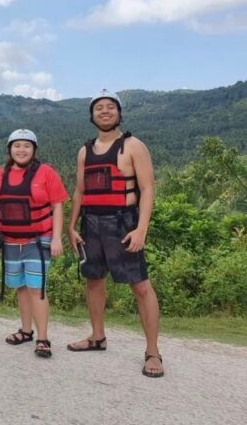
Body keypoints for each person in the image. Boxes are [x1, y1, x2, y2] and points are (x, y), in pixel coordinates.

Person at [66, 89, 163, 378]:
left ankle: (153, 352)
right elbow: (80, 191)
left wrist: (141, 228)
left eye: (110, 107)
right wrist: (71, 226)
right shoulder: (84, 151)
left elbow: (147, 188)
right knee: (93, 280)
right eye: (99, 108)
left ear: (119, 113)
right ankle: (97, 336)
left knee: (140, 286)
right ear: (92, 115)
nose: (105, 111)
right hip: (91, 224)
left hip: (123, 223)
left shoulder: (133, 146)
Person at [0, 129, 67, 359]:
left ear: (34, 149)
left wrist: (56, 237)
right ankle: (25, 330)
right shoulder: (0, 175)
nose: (21, 150)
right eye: (17, 145)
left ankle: (43, 338)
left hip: (38, 239)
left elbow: (57, 205)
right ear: (10, 149)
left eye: (27, 146)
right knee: (21, 286)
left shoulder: (46, 173)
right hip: (11, 240)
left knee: (36, 288)